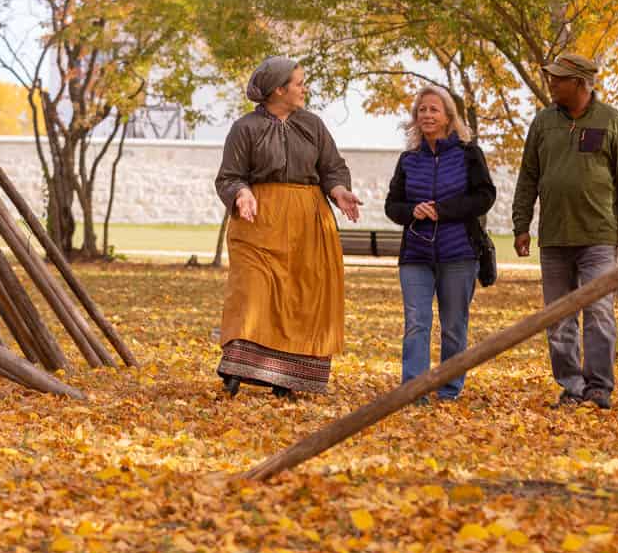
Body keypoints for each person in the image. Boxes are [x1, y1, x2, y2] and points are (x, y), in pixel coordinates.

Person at [213, 57, 362, 398]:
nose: (304, 89)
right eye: (298, 83)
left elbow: (332, 168)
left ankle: (288, 378)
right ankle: (236, 369)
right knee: (251, 291)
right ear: (278, 90)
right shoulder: (245, 128)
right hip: (258, 223)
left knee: (301, 298)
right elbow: (229, 176)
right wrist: (242, 193)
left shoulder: (313, 124)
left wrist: (338, 191)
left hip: (307, 225)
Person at [511, 53, 618, 410]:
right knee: (557, 318)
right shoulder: (542, 123)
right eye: (551, 78)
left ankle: (599, 387)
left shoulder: (612, 122)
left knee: (598, 312)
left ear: (580, 83)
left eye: (558, 79)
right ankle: (572, 386)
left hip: (598, 238)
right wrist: (521, 224)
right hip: (553, 238)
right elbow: (528, 177)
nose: (551, 84)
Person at [384, 87, 497, 402]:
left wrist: (443, 211)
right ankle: (413, 390)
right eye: (422, 110)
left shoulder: (467, 153)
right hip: (416, 255)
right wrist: (412, 211)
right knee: (416, 323)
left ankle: (449, 389)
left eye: (434, 109)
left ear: (448, 116)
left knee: (453, 327)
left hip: (458, 253)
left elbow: (485, 196)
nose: (427, 115)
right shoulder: (408, 159)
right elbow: (392, 206)